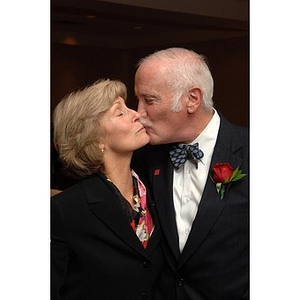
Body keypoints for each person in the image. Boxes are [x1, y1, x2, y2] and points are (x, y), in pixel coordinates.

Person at [133, 48, 249, 300]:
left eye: (149, 100)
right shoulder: (144, 157)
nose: (139, 113)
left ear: (192, 98)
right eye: (138, 100)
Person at [51, 79, 164, 300]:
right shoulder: (65, 210)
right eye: (119, 113)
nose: (137, 114)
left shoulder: (156, 192)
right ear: (95, 139)